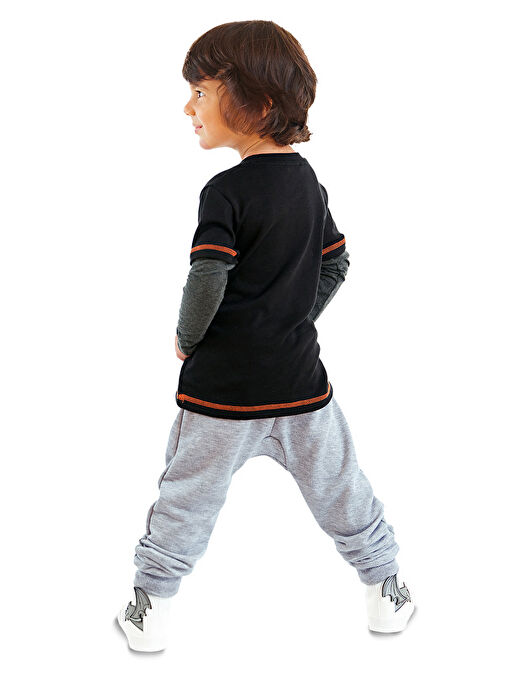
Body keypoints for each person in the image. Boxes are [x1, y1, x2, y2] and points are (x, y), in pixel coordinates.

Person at [117, 20, 415, 652]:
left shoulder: (224, 191)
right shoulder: (308, 183)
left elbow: (207, 276)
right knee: (342, 488)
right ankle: (386, 591)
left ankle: (150, 611)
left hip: (221, 393)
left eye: (201, 92)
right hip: (301, 386)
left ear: (257, 103)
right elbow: (337, 261)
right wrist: (293, 318)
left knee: (186, 500)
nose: (188, 107)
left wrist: (187, 337)